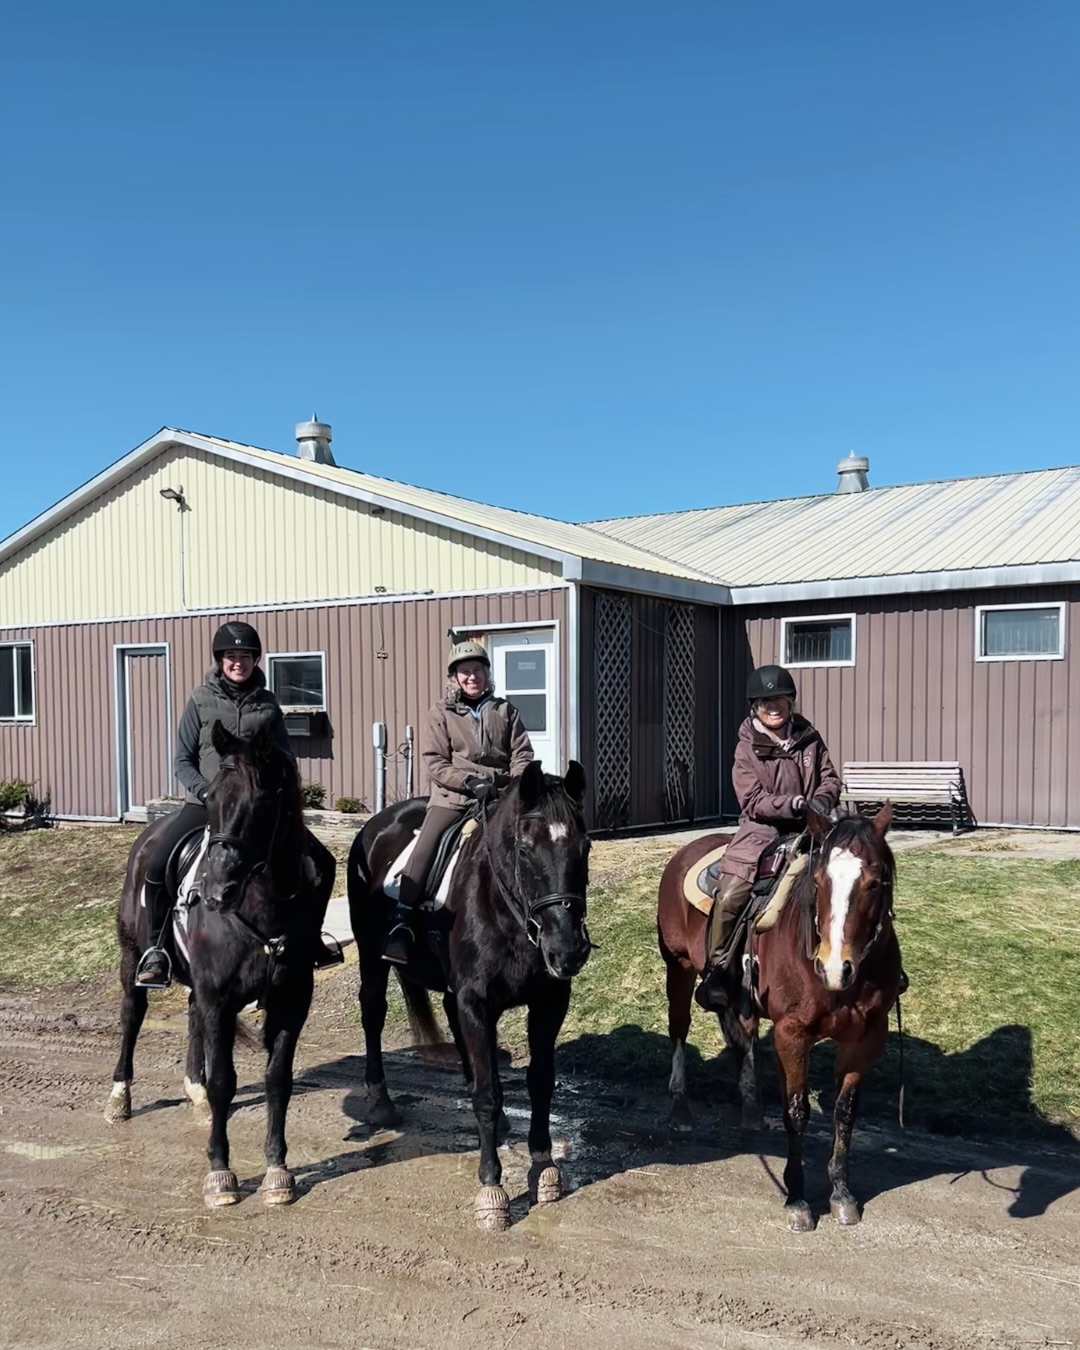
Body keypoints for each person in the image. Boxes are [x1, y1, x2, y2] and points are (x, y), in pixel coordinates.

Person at [135, 621, 338, 987]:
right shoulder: (200, 700)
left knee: (322, 862)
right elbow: (182, 760)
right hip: (207, 804)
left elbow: (287, 758)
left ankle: (312, 940)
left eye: (245, 656)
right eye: (231, 656)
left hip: (256, 811)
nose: (238, 663)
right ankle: (156, 949)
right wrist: (206, 792)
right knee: (158, 863)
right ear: (220, 660)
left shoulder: (268, 703)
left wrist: (272, 786)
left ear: (255, 660)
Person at [695, 663, 841, 1011]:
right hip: (761, 831)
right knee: (731, 892)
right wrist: (792, 804)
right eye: (765, 702)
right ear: (755, 707)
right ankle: (717, 970)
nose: (773, 707)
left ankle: (876, 960)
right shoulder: (746, 748)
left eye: (779, 700)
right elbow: (752, 799)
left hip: (814, 826)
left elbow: (829, 777)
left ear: (791, 702)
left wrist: (822, 800)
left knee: (860, 876)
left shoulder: (810, 737)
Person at [382, 640, 535, 966]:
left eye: (477, 670)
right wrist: (468, 782)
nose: (472, 677)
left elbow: (522, 753)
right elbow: (436, 762)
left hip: (499, 796)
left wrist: (515, 784)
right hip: (454, 797)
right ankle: (402, 920)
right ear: (455, 677)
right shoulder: (441, 713)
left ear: (486, 673)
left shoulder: (505, 711)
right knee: (427, 845)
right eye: (465, 672)